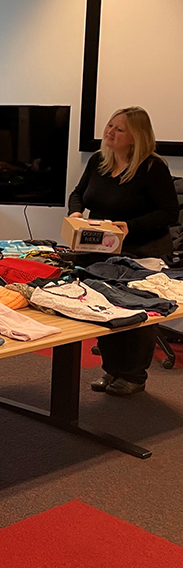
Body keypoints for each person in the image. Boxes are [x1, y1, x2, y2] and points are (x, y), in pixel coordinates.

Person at [67, 106, 178, 396]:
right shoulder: (98, 161)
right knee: (103, 308)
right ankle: (111, 369)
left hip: (142, 251)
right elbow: (78, 194)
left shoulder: (153, 168)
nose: (109, 132)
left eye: (119, 128)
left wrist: (130, 226)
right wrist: (77, 214)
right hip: (100, 249)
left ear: (136, 136)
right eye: (109, 125)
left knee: (135, 312)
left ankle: (133, 375)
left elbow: (169, 213)